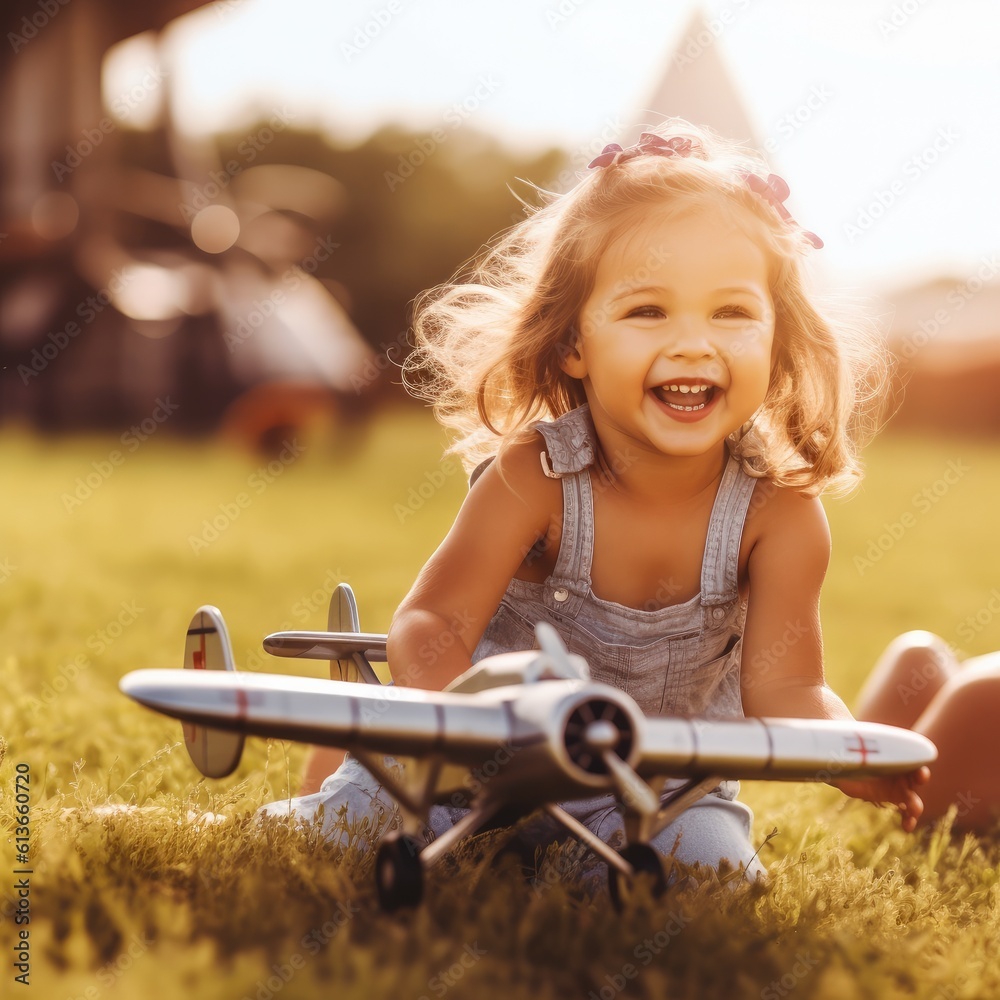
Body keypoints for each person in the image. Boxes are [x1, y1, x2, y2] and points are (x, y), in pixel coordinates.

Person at [261, 120, 930, 881]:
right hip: (473, 762)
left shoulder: (779, 516)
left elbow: (790, 688)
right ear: (573, 343)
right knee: (338, 843)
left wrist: (847, 758)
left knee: (714, 879)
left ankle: (567, 863)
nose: (692, 343)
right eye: (648, 311)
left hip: (653, 792)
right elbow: (431, 622)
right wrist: (465, 726)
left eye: (732, 313)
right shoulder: (536, 475)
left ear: (777, 343)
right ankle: (338, 795)